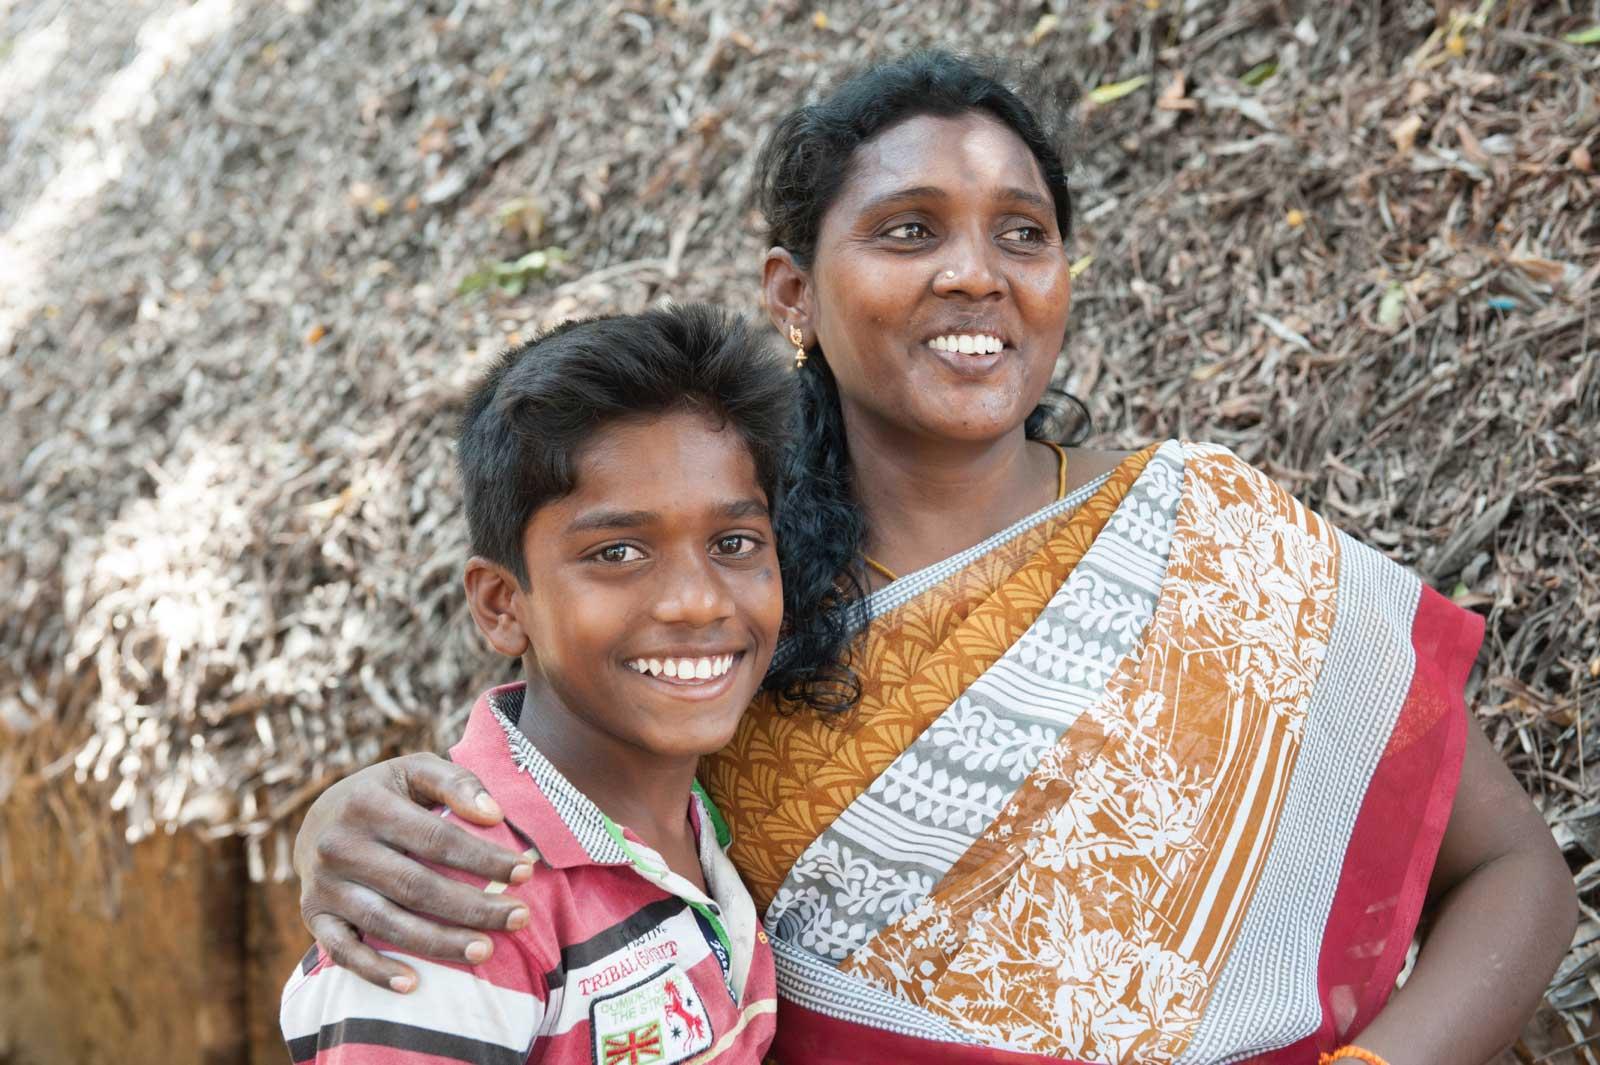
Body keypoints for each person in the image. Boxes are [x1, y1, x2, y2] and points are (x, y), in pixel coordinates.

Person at [288, 52, 1577, 1065]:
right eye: (908, 230)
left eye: (1022, 233)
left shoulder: (1220, 546)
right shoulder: (726, 618)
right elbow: (546, 814)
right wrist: (344, 822)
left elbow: (1518, 876)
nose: (975, 273)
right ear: (792, 292)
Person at [279, 306, 791, 1063]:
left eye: (735, 542)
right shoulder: (456, 908)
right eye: (618, 551)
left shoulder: (700, 817)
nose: (700, 600)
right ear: (501, 604)